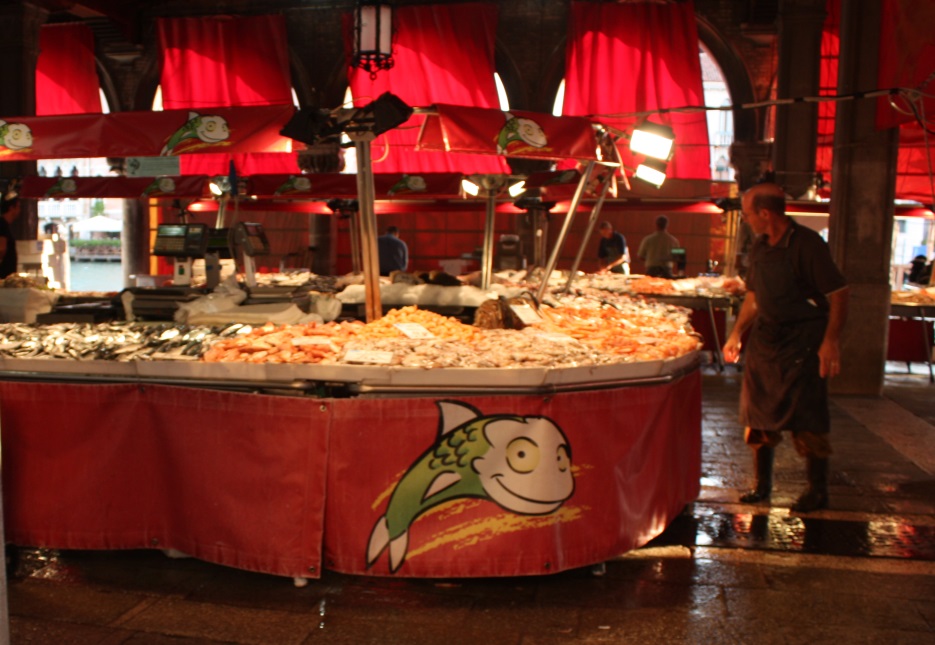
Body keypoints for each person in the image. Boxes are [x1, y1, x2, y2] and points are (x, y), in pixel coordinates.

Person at [722, 182, 849, 513]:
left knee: (807, 417)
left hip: (803, 342)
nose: (746, 220)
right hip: (766, 341)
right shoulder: (760, 246)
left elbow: (839, 293)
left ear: (765, 213)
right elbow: (754, 296)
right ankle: (762, 485)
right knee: (757, 416)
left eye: (748, 214)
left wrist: (830, 341)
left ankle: (817, 491)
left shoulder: (807, 244)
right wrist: (737, 333)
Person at [0, 197, 22, 279]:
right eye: (18, 207)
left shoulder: (5, 225)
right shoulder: (2, 224)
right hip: (3, 276)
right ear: (11, 208)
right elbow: (1, 248)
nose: (19, 210)